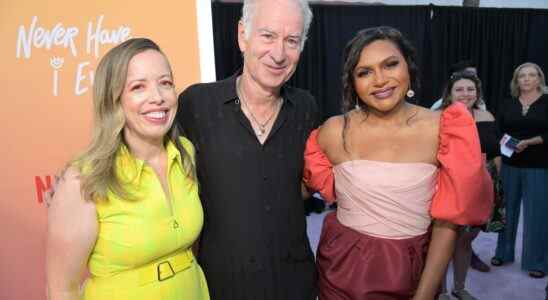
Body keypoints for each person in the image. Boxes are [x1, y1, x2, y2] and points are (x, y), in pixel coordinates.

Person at [303, 26, 493, 299]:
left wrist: (425, 294)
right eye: (364, 72)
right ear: (352, 82)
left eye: (390, 64)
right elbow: (300, 186)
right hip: (339, 266)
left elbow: (449, 223)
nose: (380, 80)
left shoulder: (444, 128)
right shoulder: (334, 130)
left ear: (409, 67)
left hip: (410, 269)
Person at [46, 38, 209, 300]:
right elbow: (62, 290)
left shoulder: (186, 153)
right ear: (114, 100)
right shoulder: (83, 179)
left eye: (165, 83)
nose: (157, 97)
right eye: (138, 87)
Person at [177, 0, 318, 299]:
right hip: (222, 286)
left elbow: (307, 184)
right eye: (267, 36)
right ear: (243, 35)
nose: (279, 54)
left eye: (291, 41)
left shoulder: (307, 108)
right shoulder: (196, 105)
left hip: (295, 284)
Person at [437, 71, 503, 300]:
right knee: (444, 241)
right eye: (460, 89)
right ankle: (441, 291)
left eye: (470, 89)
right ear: (450, 93)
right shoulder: (440, 117)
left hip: (481, 187)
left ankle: (459, 287)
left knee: (466, 240)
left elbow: (496, 152)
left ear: (477, 93)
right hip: (450, 187)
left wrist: (495, 183)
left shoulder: (487, 116)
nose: (466, 94)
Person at [492, 62, 548, 279]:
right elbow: (498, 131)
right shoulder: (508, 103)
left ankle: (537, 261)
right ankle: (503, 253)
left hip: (539, 166)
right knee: (508, 212)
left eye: (531, 75)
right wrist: (506, 145)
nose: (526, 79)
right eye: (521, 76)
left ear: (539, 79)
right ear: (516, 81)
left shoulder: (546, 102)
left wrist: (530, 142)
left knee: (537, 215)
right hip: (510, 165)